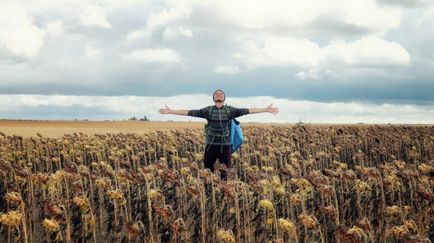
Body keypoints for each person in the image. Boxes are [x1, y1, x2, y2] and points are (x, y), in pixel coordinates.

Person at [159, 89, 279, 180]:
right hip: (210, 145)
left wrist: (265, 109)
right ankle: (209, 192)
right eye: (217, 94)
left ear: (224, 98)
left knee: (225, 173)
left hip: (225, 146)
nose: (219, 94)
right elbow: (190, 112)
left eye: (221, 94)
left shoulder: (230, 110)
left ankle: (224, 194)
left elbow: (247, 111)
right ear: (213, 98)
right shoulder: (208, 110)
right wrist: (171, 111)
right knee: (207, 172)